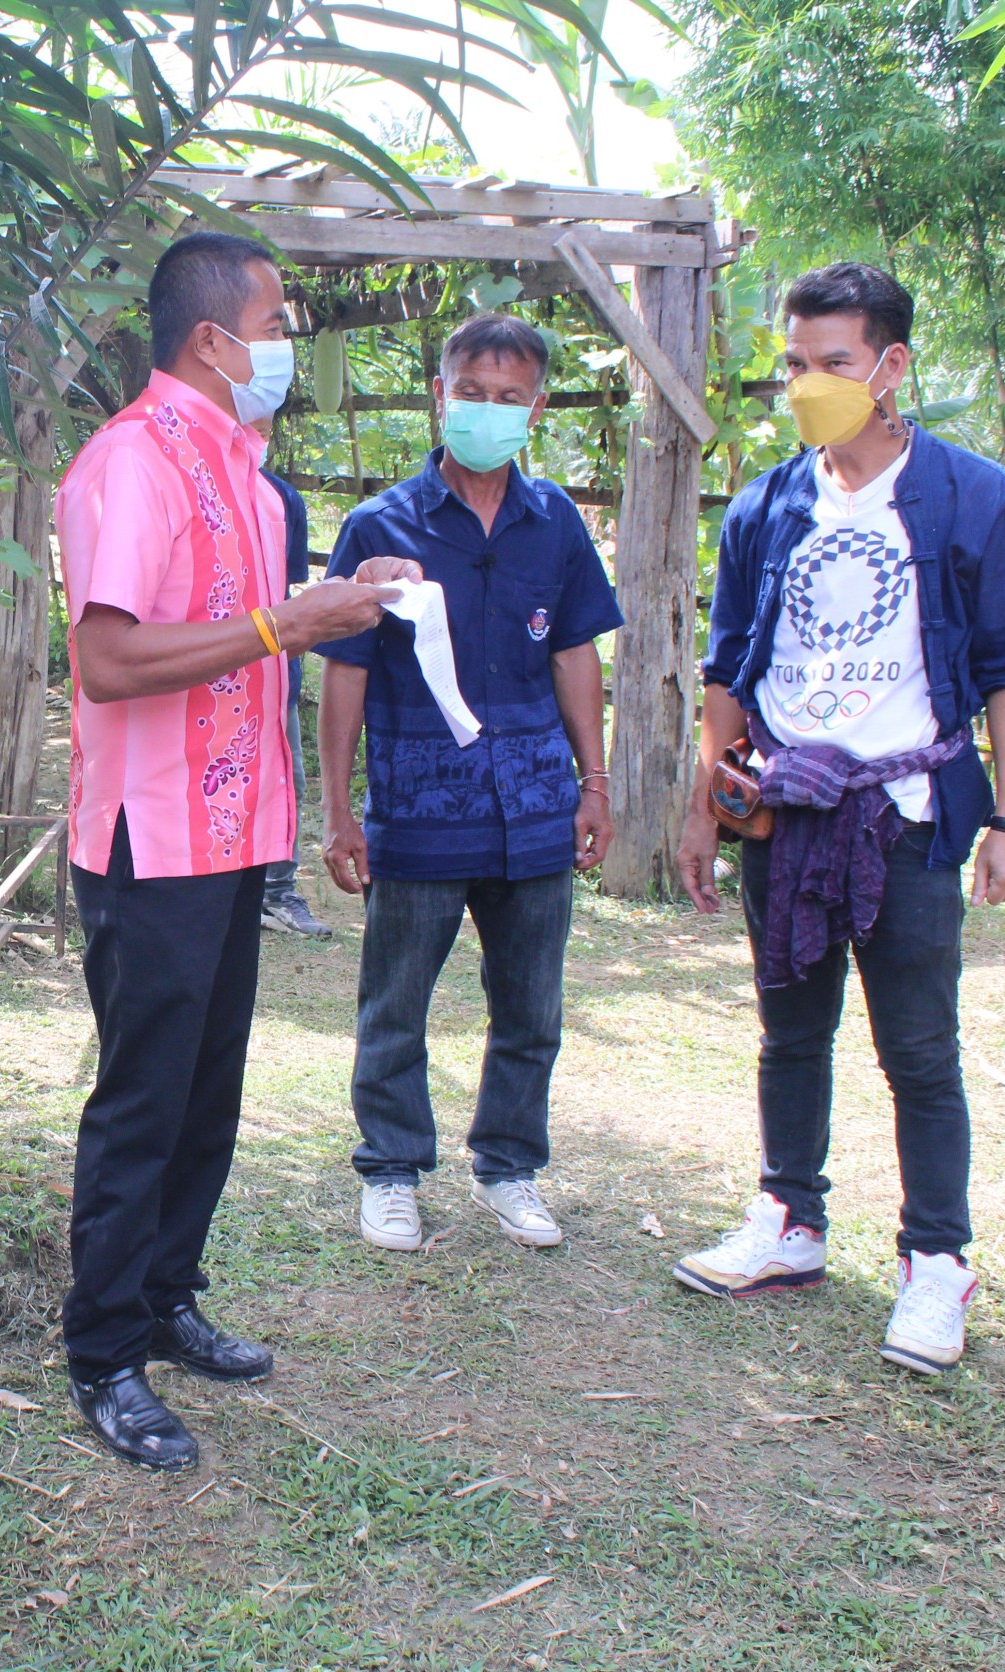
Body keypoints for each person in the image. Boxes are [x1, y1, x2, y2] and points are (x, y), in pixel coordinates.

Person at [53, 230, 409, 1470]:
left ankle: (165, 1298)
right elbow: (105, 659)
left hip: (237, 832)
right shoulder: (129, 464)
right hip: (150, 840)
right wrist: (281, 621)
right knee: (145, 1100)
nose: (285, 343)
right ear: (213, 338)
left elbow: (251, 639)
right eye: (275, 319)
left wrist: (340, 598)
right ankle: (102, 1353)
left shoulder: (254, 483)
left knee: (209, 1094)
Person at [669, 261, 1005, 1377]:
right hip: (784, 810)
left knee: (918, 1049)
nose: (808, 384)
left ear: (891, 367)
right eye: (795, 363)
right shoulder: (766, 504)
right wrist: (711, 800)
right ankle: (789, 1222)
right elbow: (729, 664)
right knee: (789, 1033)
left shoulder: (973, 498)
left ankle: (936, 1262)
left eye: (833, 363)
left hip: (906, 814)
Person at [313, 312, 622, 1257]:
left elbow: (576, 656)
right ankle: (393, 1169)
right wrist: (338, 812)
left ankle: (510, 1167)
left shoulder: (555, 522)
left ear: (534, 409)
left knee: (531, 1003)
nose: (489, 410)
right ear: (440, 397)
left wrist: (594, 781)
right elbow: (346, 675)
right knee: (395, 998)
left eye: (510, 396)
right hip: (419, 807)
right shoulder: (381, 526)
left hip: (533, 809)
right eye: (472, 393)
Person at [258, 457, 333, 939]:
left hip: (274, 673)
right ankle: (229, 895)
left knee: (285, 782)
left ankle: (277, 893)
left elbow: (283, 591)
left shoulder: (283, 498)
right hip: (197, 677)